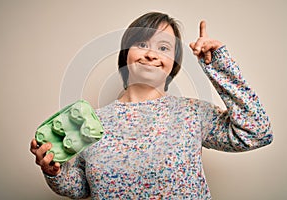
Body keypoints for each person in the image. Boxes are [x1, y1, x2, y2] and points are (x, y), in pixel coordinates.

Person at [30, 12, 273, 199]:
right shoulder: (93, 123)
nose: (151, 54)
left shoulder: (192, 113)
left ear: (173, 64)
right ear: (126, 54)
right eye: (142, 44)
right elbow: (81, 189)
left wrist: (219, 64)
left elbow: (256, 133)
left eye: (164, 48)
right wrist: (56, 172)